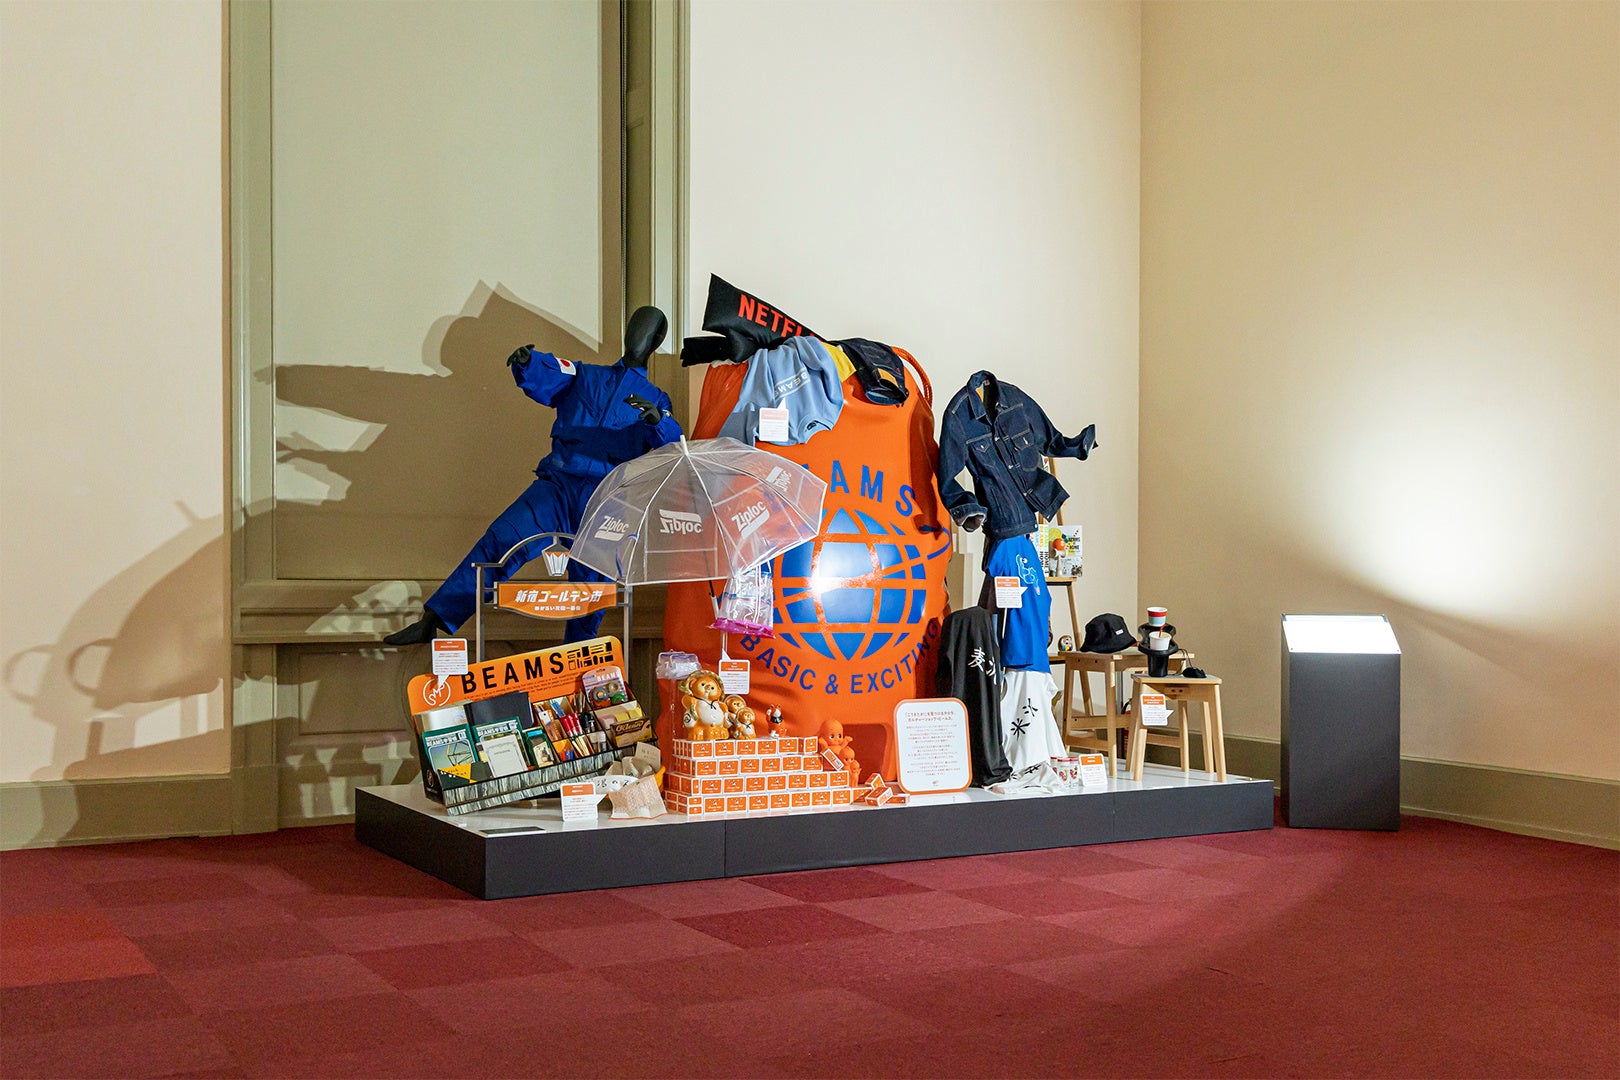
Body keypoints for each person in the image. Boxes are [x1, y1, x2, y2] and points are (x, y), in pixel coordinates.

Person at [383, 306, 682, 646]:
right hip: (557, 486)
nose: (637, 335)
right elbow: (553, 375)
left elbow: (672, 445)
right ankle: (435, 619)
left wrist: (659, 421)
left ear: (657, 339)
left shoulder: (657, 398)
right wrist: (529, 363)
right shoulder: (585, 375)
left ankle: (574, 659)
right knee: (502, 539)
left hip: (607, 500)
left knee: (592, 587)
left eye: (646, 330)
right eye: (634, 326)